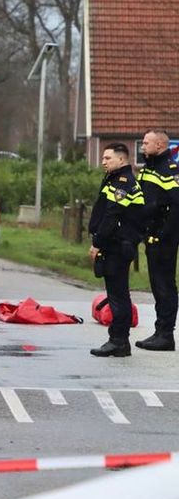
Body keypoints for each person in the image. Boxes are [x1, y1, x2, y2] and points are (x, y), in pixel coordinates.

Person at [89, 142, 144, 357]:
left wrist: (97, 243)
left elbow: (112, 216)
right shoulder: (117, 179)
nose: (103, 162)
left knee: (118, 295)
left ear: (121, 160)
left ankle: (118, 341)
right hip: (118, 244)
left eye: (107, 158)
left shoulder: (122, 182)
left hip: (117, 246)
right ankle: (120, 341)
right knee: (118, 294)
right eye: (102, 158)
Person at [136, 130, 179, 351]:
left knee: (165, 284)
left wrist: (163, 234)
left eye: (146, 143)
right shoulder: (148, 169)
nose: (142, 146)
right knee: (156, 284)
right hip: (150, 235)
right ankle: (159, 330)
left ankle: (166, 334)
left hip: (164, 237)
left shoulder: (170, 170)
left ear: (160, 145)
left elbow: (176, 206)